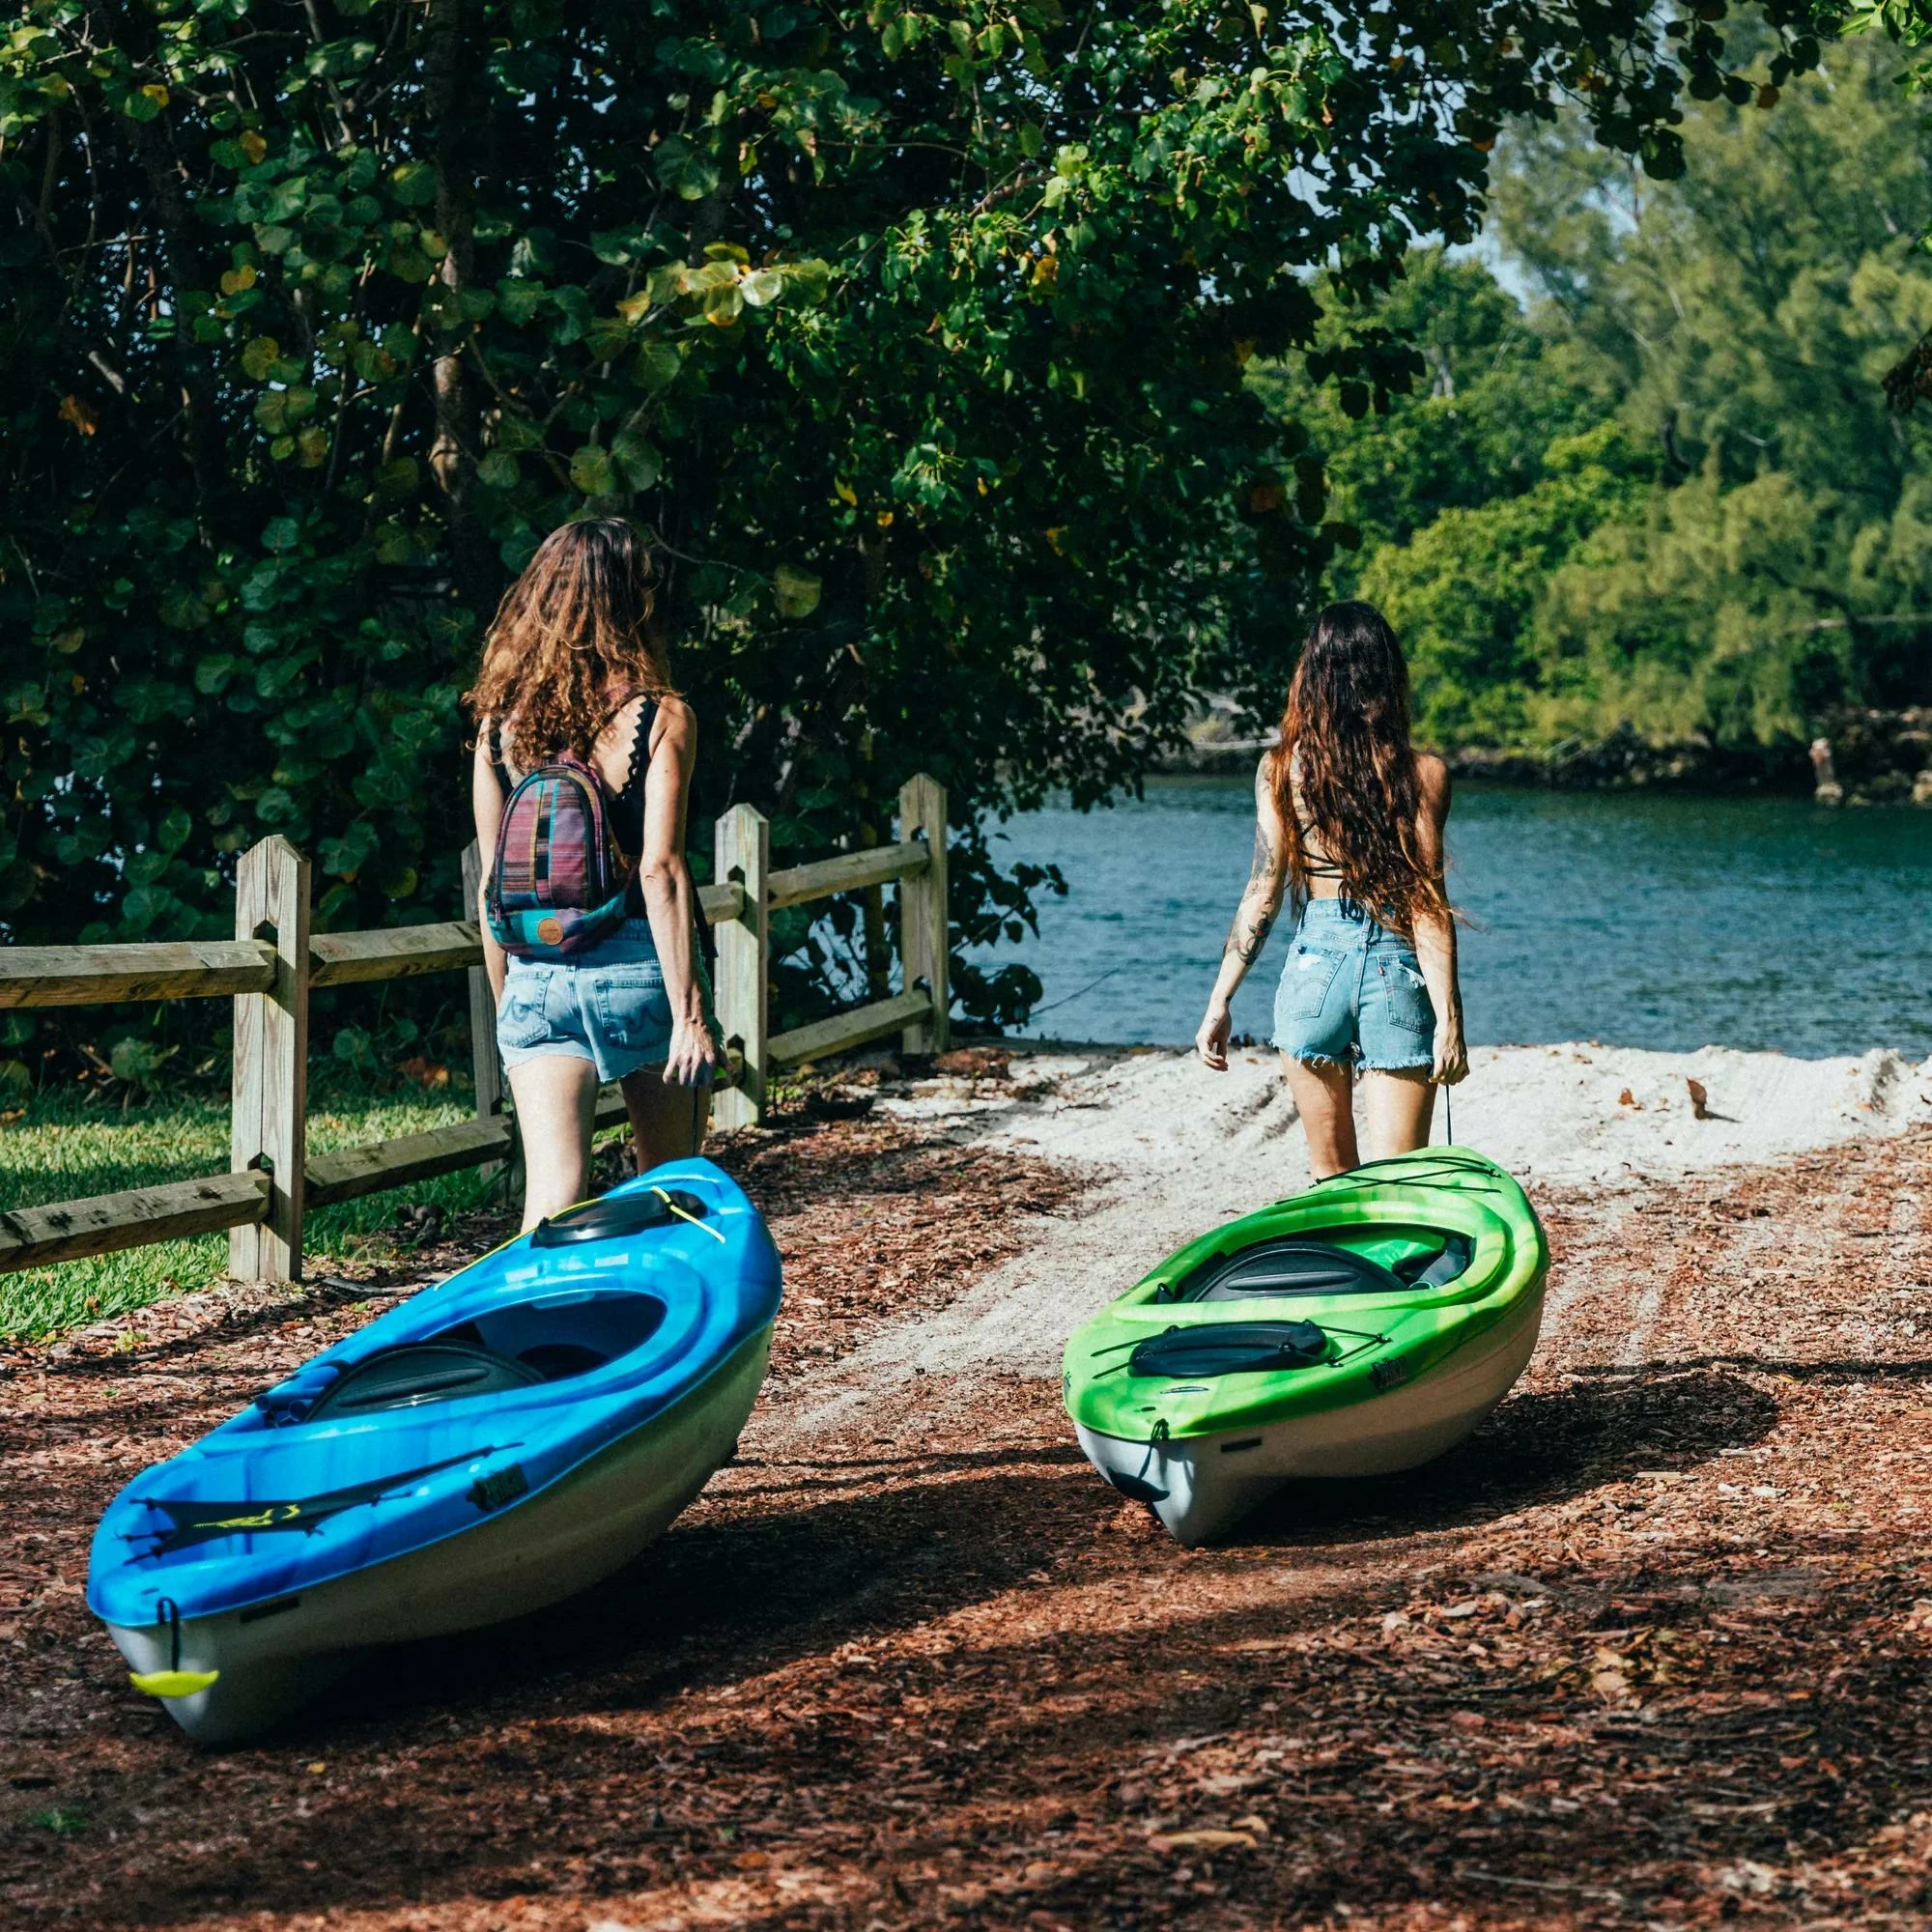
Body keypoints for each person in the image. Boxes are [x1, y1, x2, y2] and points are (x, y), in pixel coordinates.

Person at [468, 518, 718, 1228]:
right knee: (669, 1191)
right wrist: (689, 1018)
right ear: (632, 603)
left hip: (536, 976)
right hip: (641, 972)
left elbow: (492, 885)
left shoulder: (497, 726)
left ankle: (535, 1305)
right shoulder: (660, 717)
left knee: (550, 1203)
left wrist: (511, 1007)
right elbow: (660, 871)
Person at [1194, 600, 1467, 1177]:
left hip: (1314, 968)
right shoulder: (1424, 774)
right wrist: (1450, 1020)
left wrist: (1220, 1001)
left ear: (1312, 675)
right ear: (1388, 674)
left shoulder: (1281, 769)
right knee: (1399, 1184)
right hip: (1396, 967)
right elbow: (1427, 906)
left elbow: (1262, 893)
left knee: (1331, 1182)